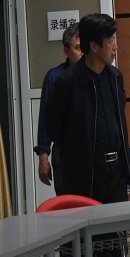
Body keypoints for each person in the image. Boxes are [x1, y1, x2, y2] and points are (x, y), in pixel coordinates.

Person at [46, 13, 130, 257]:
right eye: (110, 40)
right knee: (81, 246)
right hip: (84, 173)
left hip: (114, 173)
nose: (116, 46)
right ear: (94, 46)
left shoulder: (115, 77)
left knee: (113, 245)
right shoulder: (67, 82)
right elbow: (54, 129)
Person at [34, 23, 82, 195]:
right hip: (64, 150)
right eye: (78, 48)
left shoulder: (97, 74)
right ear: (66, 51)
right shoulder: (55, 77)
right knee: (68, 204)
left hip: (91, 151)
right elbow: (45, 119)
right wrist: (43, 156)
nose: (83, 52)